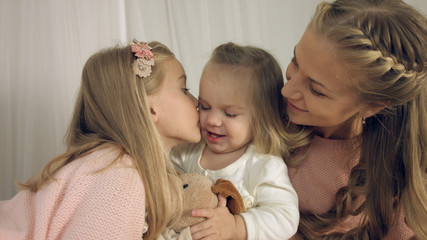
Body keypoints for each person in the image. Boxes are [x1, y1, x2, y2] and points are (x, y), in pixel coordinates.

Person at [0, 40, 201, 240]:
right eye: (185, 89)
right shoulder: (120, 175)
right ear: (150, 108)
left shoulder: (113, 165)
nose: (198, 102)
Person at [281, 0, 427, 239]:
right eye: (295, 61)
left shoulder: (393, 186)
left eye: (317, 90)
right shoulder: (265, 116)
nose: (286, 91)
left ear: (371, 107)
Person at [170, 42, 302, 240]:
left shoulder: (263, 164)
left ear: (261, 119)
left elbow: (285, 216)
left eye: (230, 114)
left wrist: (237, 226)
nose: (212, 121)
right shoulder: (188, 151)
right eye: (205, 107)